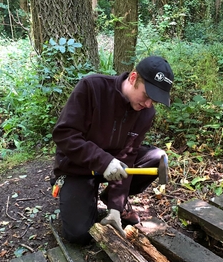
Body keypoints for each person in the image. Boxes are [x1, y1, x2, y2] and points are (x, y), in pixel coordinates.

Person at [51, 56, 174, 244]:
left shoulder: (145, 113)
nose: (149, 104)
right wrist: (103, 161)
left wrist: (115, 207)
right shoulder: (92, 88)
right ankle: (84, 194)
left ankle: (114, 201)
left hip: (115, 166)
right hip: (77, 167)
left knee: (156, 157)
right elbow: (64, 135)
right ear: (133, 78)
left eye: (154, 101)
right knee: (79, 235)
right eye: (147, 96)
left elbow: (129, 155)